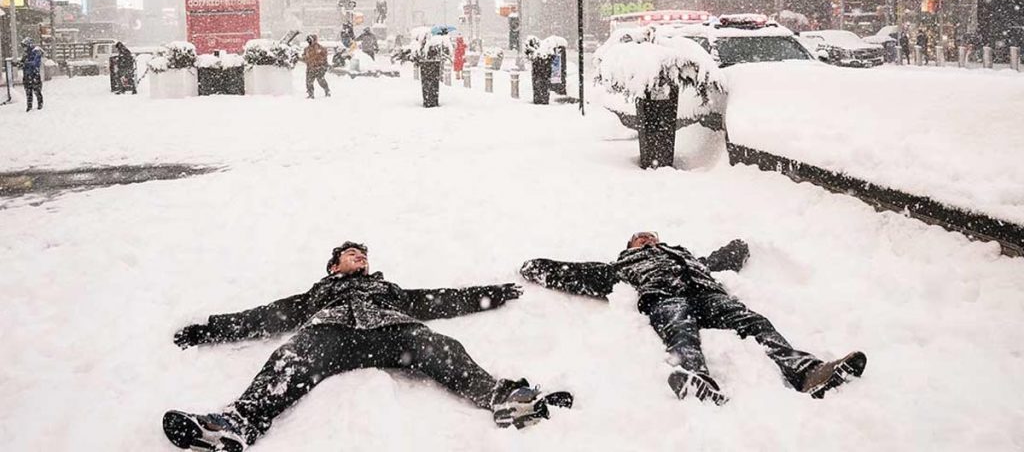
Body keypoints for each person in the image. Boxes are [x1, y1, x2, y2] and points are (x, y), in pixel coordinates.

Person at [165, 242, 571, 451]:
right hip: (333, 335)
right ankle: (236, 425)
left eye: (361, 254)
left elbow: (438, 299)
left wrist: (492, 293)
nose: (358, 257)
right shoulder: (317, 295)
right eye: (350, 254)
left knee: (440, 345)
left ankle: (503, 399)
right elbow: (267, 315)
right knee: (291, 357)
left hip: (394, 335)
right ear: (334, 267)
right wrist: (209, 329)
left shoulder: (387, 289)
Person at [520, 231, 867, 405]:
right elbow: (578, 273)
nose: (647, 238)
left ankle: (807, 372)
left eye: (651, 235)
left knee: (754, 322)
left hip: (710, 297)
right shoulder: (622, 266)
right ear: (629, 248)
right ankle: (695, 377)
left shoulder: (689, 257)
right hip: (665, 298)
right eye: (640, 238)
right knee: (679, 329)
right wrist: (536, 268)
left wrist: (739, 246)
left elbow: (722, 259)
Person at [17, 38, 44, 112]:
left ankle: (40, 105)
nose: (24, 48)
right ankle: (29, 106)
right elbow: (22, 62)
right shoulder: (25, 54)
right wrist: (18, 64)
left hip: (34, 74)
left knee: (36, 90)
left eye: (25, 46)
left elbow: (35, 63)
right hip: (26, 75)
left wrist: (25, 64)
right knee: (28, 91)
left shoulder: (36, 52)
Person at [301, 34, 330, 99]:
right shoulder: (306, 49)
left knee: (320, 80)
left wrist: (323, 65)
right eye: (308, 40)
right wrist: (302, 58)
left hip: (319, 67)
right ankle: (311, 94)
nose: (309, 42)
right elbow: (304, 57)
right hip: (310, 68)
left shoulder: (320, 48)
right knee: (309, 82)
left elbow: (324, 57)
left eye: (310, 40)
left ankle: (327, 90)